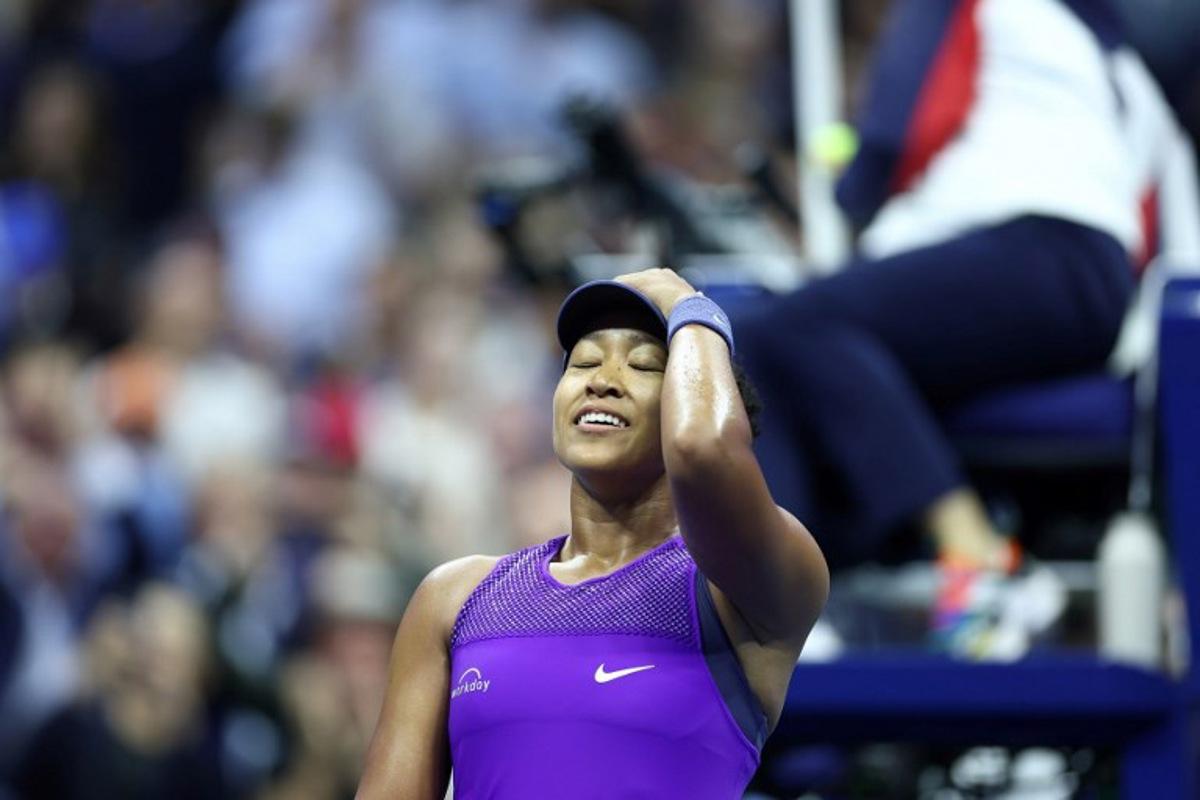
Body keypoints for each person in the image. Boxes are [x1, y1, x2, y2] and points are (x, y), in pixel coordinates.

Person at [735, 0, 1193, 656]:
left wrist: (847, 196)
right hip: (1097, 292)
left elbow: (891, 132)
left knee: (774, 333)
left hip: (1020, 251)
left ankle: (956, 563)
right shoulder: (1122, 70)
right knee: (827, 344)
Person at [355, 268, 828, 798]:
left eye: (645, 365)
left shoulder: (738, 595)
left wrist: (689, 306)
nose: (600, 380)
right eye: (583, 362)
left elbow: (703, 450)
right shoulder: (455, 599)